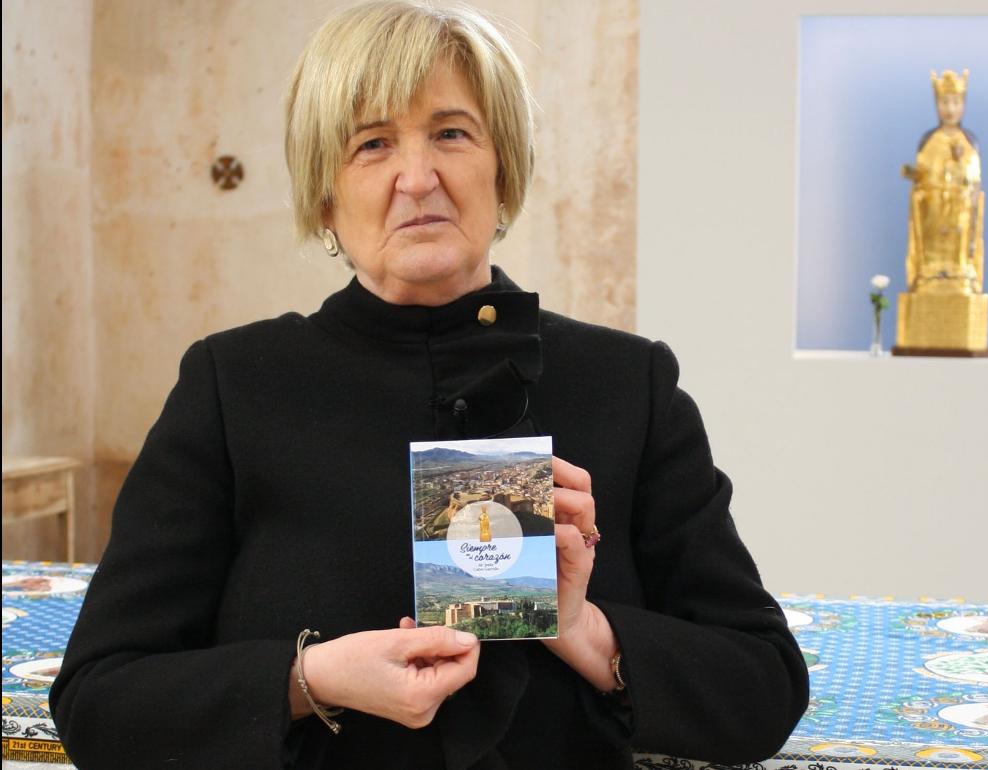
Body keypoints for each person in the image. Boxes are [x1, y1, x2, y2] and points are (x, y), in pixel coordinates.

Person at [49, 3, 808, 768]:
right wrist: (312, 678)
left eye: (452, 132)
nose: (418, 178)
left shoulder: (628, 384)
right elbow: (100, 701)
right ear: (324, 195)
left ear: (502, 165)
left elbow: (763, 687)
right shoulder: (233, 387)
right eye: (372, 144)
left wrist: (577, 628)